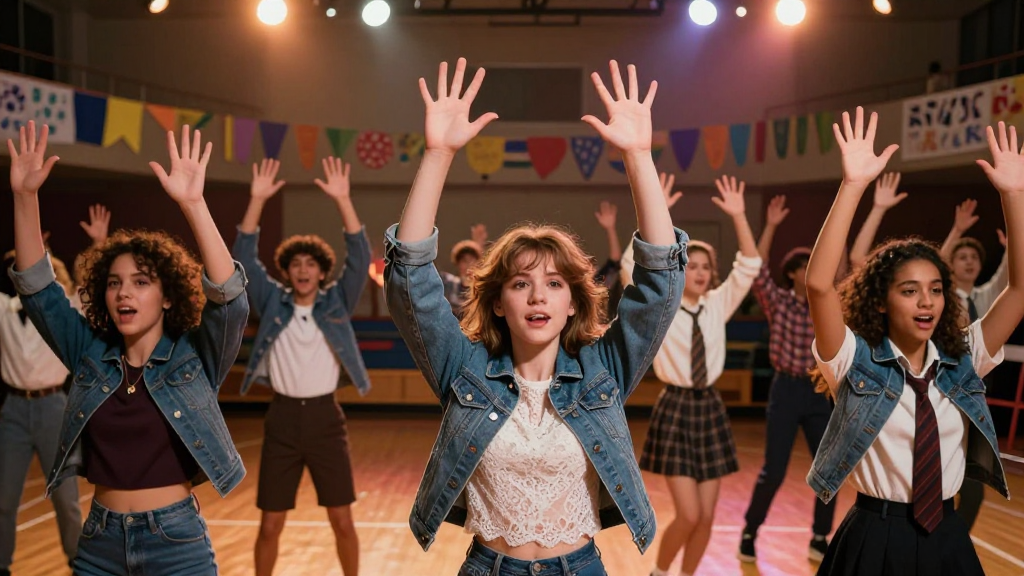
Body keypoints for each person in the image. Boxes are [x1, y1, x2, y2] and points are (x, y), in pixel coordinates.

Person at [385, 57, 685, 576]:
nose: (538, 297)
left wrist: (638, 156)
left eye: (554, 284)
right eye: (521, 284)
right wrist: (437, 154)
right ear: (500, 302)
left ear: (574, 301)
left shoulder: (603, 373)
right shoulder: (465, 371)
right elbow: (410, 280)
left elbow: (660, 286)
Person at [7, 122, 249, 575]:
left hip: (175, 541)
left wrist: (194, 205)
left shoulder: (194, 357)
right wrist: (25, 197)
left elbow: (230, 297)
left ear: (169, 295)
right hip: (99, 541)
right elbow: (38, 289)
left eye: (141, 283)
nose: (124, 294)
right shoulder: (88, 351)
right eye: (115, 283)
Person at [805, 110, 1021, 575]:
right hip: (874, 532)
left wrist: (1015, 195)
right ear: (881, 302)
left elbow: (1021, 291)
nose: (927, 301)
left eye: (936, 289)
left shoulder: (964, 359)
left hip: (946, 531)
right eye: (909, 290)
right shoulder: (854, 363)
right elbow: (820, 285)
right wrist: (853, 186)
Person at [233, 157, 370, 576]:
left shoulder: (336, 303)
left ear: (321, 271)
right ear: (288, 272)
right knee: (270, 524)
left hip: (327, 419)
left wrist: (344, 200)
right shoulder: (273, 302)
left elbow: (360, 257)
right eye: (296, 264)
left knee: (342, 520)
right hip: (283, 419)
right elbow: (243, 257)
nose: (304, 270)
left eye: (311, 264)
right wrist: (256, 200)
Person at [622, 175, 761, 576]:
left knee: (707, 518)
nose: (699, 273)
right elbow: (633, 265)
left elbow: (749, 265)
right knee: (688, 514)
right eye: (692, 265)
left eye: (705, 267)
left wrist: (738, 216)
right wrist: (655, 212)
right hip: (677, 407)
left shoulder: (718, 304)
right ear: (681, 269)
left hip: (710, 408)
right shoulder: (664, 305)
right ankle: (660, 574)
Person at [737, 194, 836, 564]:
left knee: (827, 468)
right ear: (794, 272)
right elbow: (757, 269)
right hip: (786, 388)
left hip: (818, 389)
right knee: (773, 469)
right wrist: (772, 225)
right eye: (806, 265)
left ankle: (820, 536)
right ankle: (750, 531)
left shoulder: (827, 304)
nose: (814, 269)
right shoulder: (778, 301)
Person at [0, 248, 81, 576]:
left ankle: (78, 561)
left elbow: (84, 292)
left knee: (66, 498)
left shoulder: (62, 310)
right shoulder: (5, 309)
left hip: (53, 407)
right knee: (4, 498)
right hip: (14, 409)